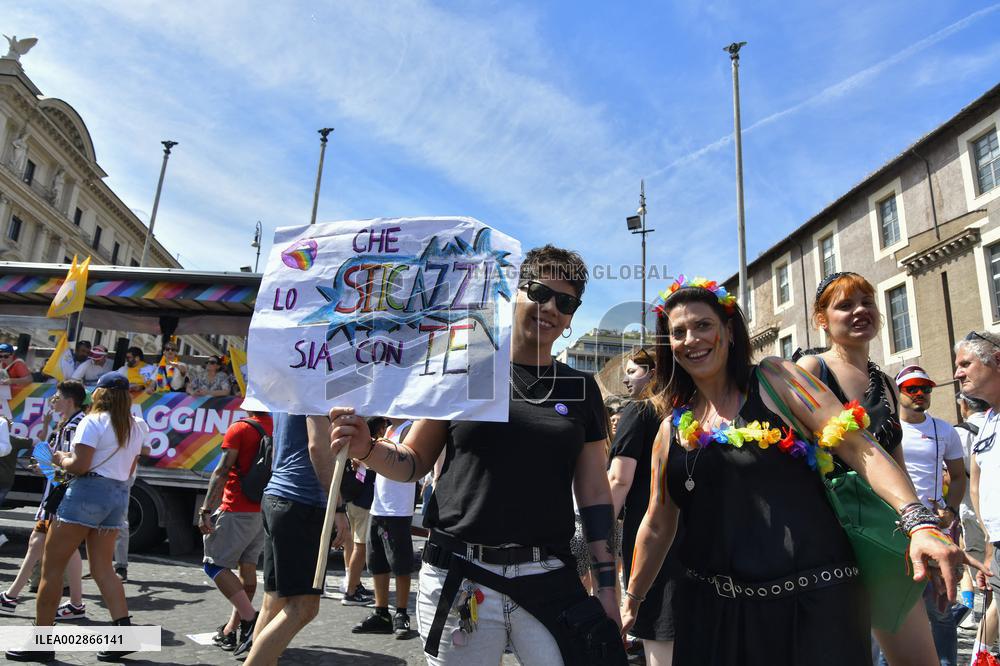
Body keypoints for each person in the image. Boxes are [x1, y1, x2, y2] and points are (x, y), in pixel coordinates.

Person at [621, 276, 980, 666]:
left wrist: (919, 522)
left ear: (728, 330)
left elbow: (860, 449)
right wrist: (632, 598)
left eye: (703, 325)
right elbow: (657, 523)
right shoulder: (670, 430)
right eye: (678, 332)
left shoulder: (777, 380)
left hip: (813, 609)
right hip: (716, 618)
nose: (691, 339)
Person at [330, 245, 627, 666]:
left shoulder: (581, 388)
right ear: (517, 292)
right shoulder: (465, 365)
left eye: (566, 302)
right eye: (541, 293)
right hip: (461, 576)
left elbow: (596, 492)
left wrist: (608, 590)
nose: (551, 309)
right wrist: (367, 449)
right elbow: (414, 460)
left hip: (546, 577)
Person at [795, 271, 940, 664]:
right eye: (845, 305)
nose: (860, 311)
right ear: (821, 319)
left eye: (867, 303)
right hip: (825, 542)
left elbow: (897, 464)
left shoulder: (888, 384)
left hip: (883, 538)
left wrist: (920, 528)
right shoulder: (811, 368)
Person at [6, 372, 148, 663]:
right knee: (103, 569)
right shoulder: (135, 428)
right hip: (117, 497)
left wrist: (58, 458)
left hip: (87, 494)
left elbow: (80, 466)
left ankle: (42, 643)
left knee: (52, 568)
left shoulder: (93, 421)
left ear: (100, 394)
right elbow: (130, 467)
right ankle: (123, 634)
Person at [242, 412, 348, 666]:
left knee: (274, 602)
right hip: (301, 502)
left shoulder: (293, 386)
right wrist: (339, 508)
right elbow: (317, 446)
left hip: (280, 496)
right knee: (305, 607)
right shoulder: (313, 384)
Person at [607, 348, 679, 666]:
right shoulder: (691, 411)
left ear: (654, 373)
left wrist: (596, 533)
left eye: (633, 371)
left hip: (650, 542)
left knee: (660, 636)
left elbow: (619, 481)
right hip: (696, 541)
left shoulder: (640, 411)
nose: (625, 379)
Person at [894, 365, 966, 666]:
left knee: (941, 610)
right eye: (912, 388)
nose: (920, 393)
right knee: (895, 609)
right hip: (897, 529)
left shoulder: (944, 429)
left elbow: (960, 478)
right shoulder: (888, 428)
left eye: (925, 388)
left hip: (935, 528)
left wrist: (951, 510)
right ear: (898, 393)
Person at [1, 383, 88, 619]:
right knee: (51, 546)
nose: (53, 401)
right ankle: (75, 603)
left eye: (57, 397)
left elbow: (72, 468)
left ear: (69, 400)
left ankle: (10, 597)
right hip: (60, 496)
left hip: (58, 497)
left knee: (40, 544)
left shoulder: (73, 427)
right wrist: (46, 468)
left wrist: (46, 470)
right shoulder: (73, 423)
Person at [198, 411, 272, 655]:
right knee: (247, 567)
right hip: (262, 509)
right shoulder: (277, 426)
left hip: (236, 506)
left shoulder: (240, 428)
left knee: (214, 565)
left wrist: (206, 508)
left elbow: (222, 470)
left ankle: (251, 621)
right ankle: (231, 630)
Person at [353, 418, 417, 638]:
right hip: (378, 506)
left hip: (398, 508)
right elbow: (382, 462)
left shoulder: (410, 427)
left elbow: (402, 457)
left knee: (400, 564)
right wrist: (365, 461)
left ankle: (401, 614)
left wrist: (372, 449)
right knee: (377, 562)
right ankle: (381, 613)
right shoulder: (390, 429)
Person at [958, 330, 1000, 659]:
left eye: (966, 364)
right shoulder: (985, 421)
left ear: (996, 360)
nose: (958, 373)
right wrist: (989, 552)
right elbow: (978, 487)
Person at [955, 393, 992, 633]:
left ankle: (986, 621)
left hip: (973, 509)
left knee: (984, 569)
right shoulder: (993, 424)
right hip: (993, 509)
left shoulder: (960, 432)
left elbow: (954, 472)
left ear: (965, 405)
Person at [340, 417, 382, 605]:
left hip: (352, 499)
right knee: (360, 546)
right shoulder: (373, 447)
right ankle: (351, 591)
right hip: (364, 502)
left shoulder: (356, 445)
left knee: (353, 543)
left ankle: (353, 583)